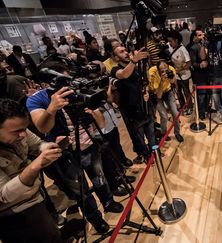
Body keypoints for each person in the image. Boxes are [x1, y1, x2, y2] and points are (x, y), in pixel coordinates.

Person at [27, 62, 121, 233]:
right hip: (65, 153)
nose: (66, 85)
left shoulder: (75, 90)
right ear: (48, 83)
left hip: (89, 143)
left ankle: (108, 202)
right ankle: (96, 219)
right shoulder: (36, 99)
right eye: (61, 81)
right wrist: (51, 109)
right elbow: (43, 128)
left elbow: (96, 106)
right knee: (81, 190)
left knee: (99, 177)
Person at [0, 99, 63, 242]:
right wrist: (36, 165)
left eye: (24, 129)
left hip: (35, 200)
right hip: (13, 216)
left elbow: (38, 144)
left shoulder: (19, 129)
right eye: (17, 131)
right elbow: (4, 195)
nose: (23, 134)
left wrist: (49, 148)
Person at [110, 45, 157, 163]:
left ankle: (155, 152)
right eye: (121, 52)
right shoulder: (115, 70)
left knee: (151, 133)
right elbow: (124, 74)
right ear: (116, 57)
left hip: (145, 106)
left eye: (125, 50)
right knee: (139, 137)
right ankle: (146, 156)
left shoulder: (136, 68)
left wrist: (146, 92)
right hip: (132, 112)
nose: (126, 53)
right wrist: (134, 60)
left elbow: (143, 83)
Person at [148, 61, 184, 142]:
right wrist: (162, 80)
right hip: (156, 93)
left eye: (166, 70)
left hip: (168, 91)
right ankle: (164, 134)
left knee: (175, 113)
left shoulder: (171, 69)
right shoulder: (152, 73)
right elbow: (159, 95)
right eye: (162, 71)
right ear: (158, 70)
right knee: (164, 116)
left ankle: (177, 133)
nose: (164, 72)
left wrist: (171, 79)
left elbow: (173, 81)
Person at [167, 30, 193, 115]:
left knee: (186, 92)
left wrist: (179, 69)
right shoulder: (170, 49)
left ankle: (190, 107)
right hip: (176, 76)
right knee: (178, 92)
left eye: (171, 41)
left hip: (184, 75)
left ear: (176, 40)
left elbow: (189, 63)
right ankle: (182, 107)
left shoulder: (183, 49)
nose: (170, 43)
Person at [188, 30, 209, 120]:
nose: (202, 36)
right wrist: (200, 65)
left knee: (207, 94)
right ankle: (201, 113)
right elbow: (193, 63)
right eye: (199, 35)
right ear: (194, 37)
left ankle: (206, 109)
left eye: (202, 34)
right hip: (199, 75)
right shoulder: (193, 48)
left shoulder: (206, 44)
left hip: (207, 74)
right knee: (201, 95)